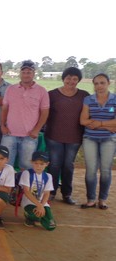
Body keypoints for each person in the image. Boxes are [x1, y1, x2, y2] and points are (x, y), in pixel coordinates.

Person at [44, 67, 89, 204]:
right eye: (68, 78)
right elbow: (44, 113)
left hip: (74, 137)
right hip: (53, 136)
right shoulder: (52, 94)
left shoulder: (84, 95)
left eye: (75, 79)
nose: (71, 81)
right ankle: (51, 192)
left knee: (68, 165)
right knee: (55, 165)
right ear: (63, 78)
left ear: (78, 81)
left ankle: (66, 194)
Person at [0, 60, 50, 171]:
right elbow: (4, 108)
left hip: (30, 136)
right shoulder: (11, 89)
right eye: (24, 72)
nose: (26, 75)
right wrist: (2, 125)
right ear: (20, 73)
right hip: (9, 134)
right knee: (6, 164)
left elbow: (45, 112)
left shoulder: (42, 91)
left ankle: (23, 188)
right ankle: (8, 188)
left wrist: (37, 130)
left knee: (26, 167)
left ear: (34, 73)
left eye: (29, 72)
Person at [79, 73, 116, 209]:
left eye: (102, 83)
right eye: (96, 83)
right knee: (91, 170)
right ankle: (91, 199)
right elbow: (83, 120)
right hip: (90, 139)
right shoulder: (88, 99)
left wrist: (98, 123)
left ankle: (102, 199)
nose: (99, 86)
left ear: (108, 83)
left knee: (106, 170)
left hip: (109, 140)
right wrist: (109, 125)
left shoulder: (115, 99)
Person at [19, 151, 56, 230]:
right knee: (35, 216)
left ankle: (39, 217)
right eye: (36, 163)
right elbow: (26, 191)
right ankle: (29, 217)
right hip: (29, 202)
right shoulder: (27, 173)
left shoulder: (48, 176)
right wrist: (38, 205)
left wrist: (41, 205)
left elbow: (46, 193)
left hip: (42, 203)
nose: (38, 166)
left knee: (51, 226)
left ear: (47, 164)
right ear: (31, 162)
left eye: (42, 164)